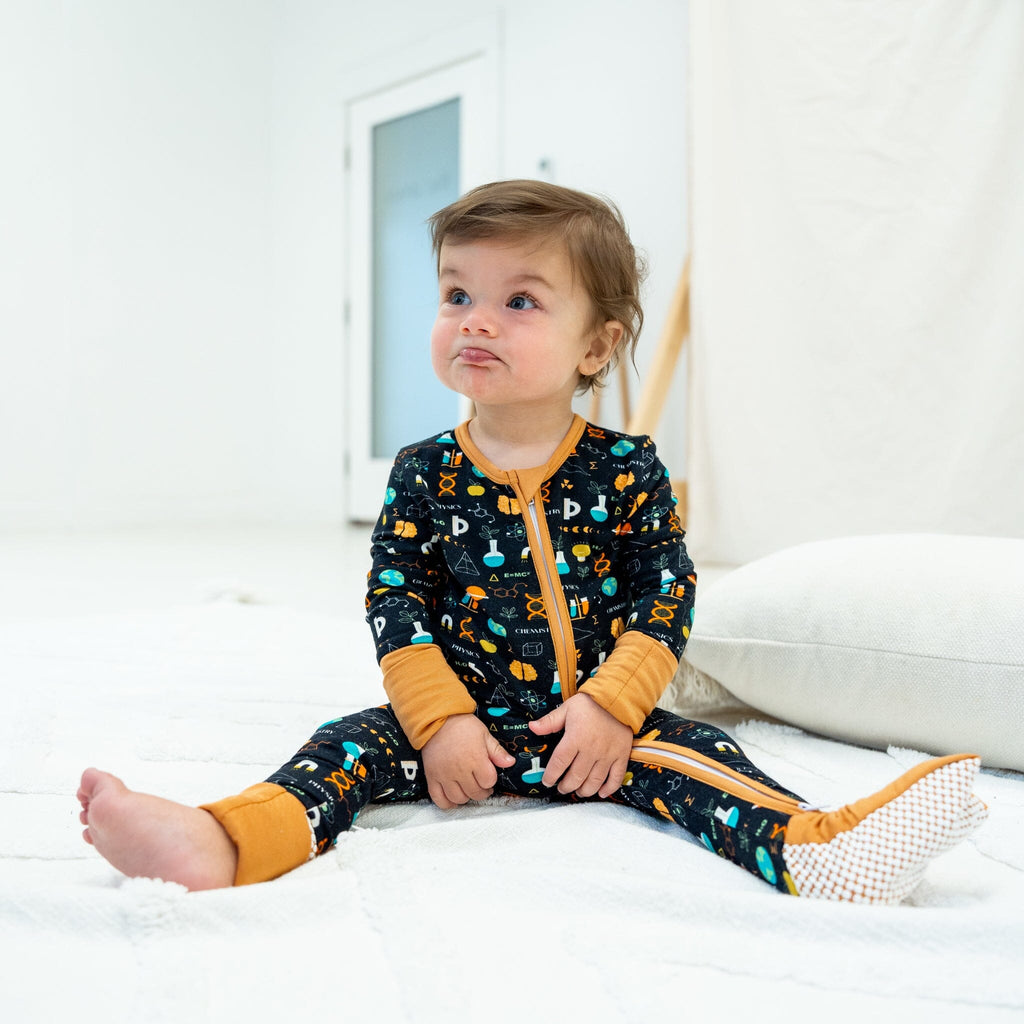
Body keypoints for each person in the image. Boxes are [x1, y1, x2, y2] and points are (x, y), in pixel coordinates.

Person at [77, 180, 987, 902]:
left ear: (598, 345)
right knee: (338, 753)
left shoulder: (627, 468)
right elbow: (394, 602)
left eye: (519, 300)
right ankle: (226, 838)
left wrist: (613, 709)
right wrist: (438, 723)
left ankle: (813, 848)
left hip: (598, 729)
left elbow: (664, 593)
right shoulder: (423, 471)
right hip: (456, 727)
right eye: (456, 293)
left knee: (707, 762)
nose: (474, 318)